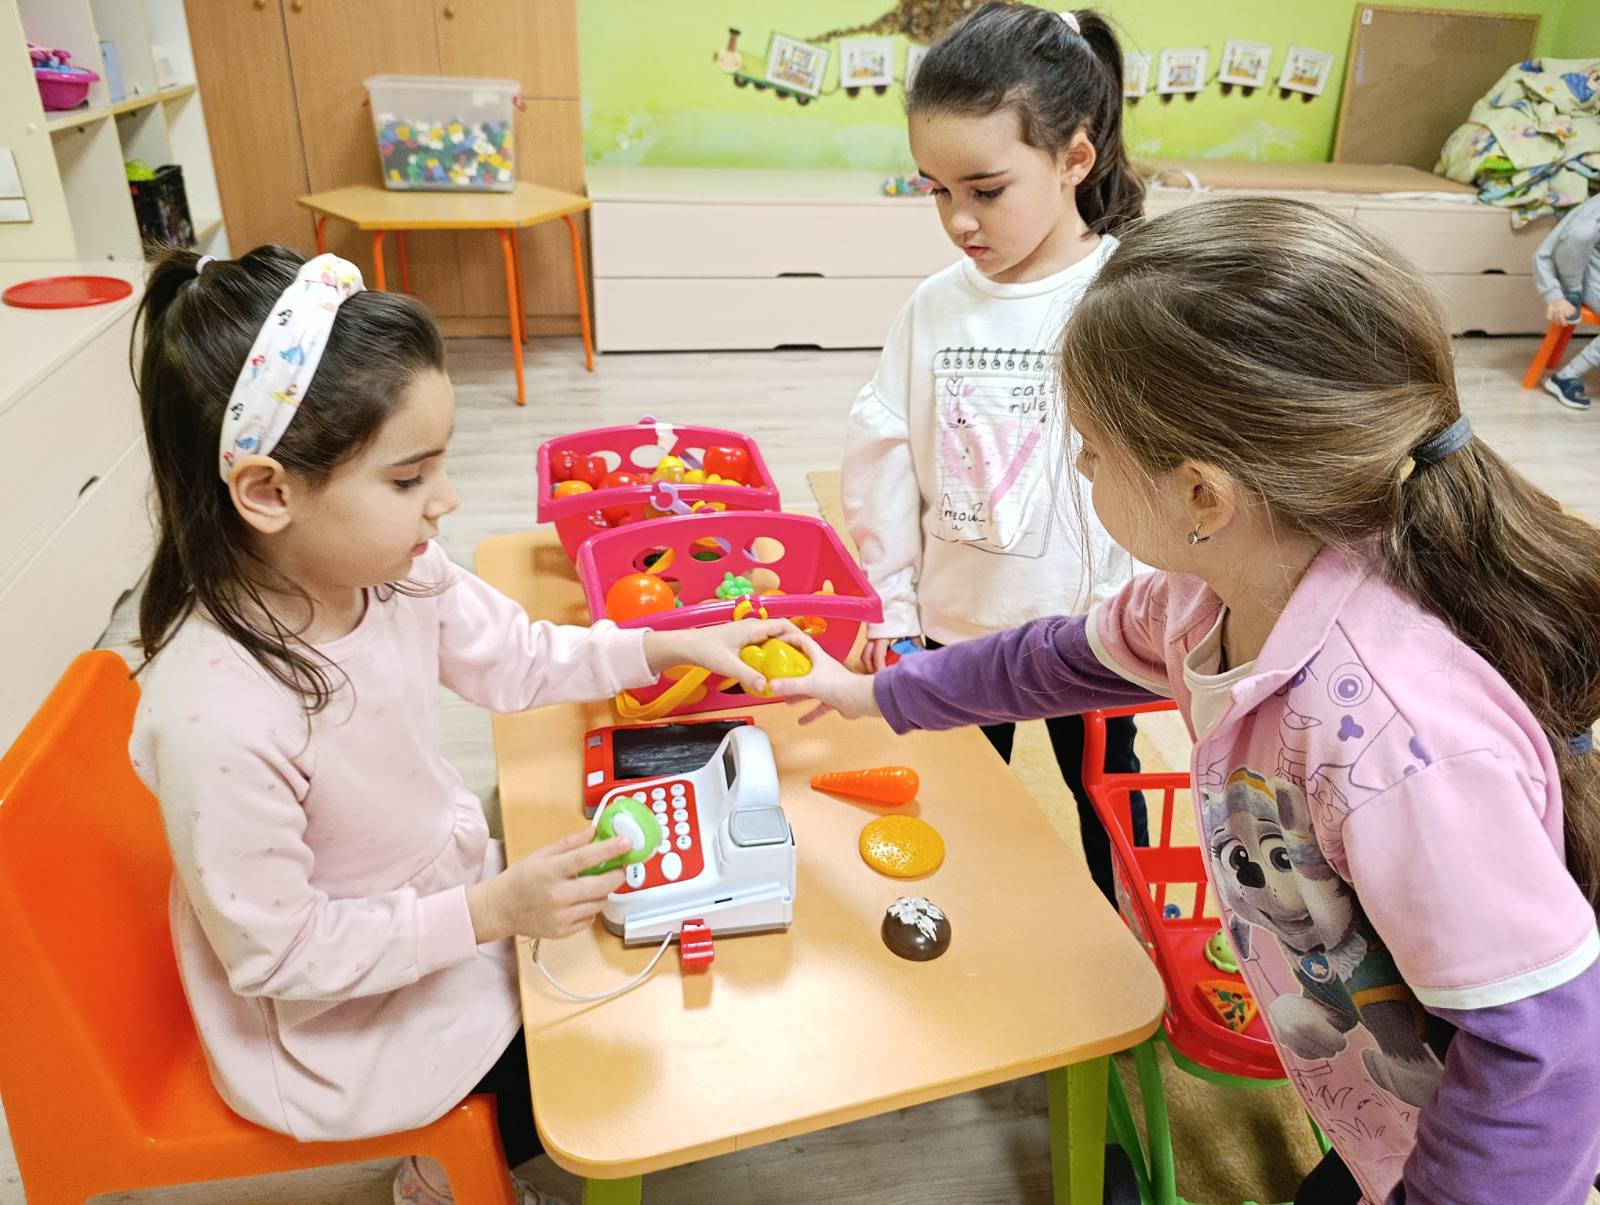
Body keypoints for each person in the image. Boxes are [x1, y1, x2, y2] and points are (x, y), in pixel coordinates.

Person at [782, 197, 1600, 1204]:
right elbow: (1050, 660)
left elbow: (1540, 1054)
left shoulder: (1398, 744)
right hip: (1379, 1113)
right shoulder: (1210, 594)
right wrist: (875, 691)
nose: (1079, 468)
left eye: (1089, 450)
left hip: (1456, 1152)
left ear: (1202, 494)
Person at [127, 246, 788, 1205]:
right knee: (601, 1071)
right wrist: (490, 912)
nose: (446, 500)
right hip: (340, 1020)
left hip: (440, 903)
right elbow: (282, 953)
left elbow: (516, 656)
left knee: (636, 970)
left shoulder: (392, 571)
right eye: (409, 478)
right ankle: (441, 1181)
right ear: (269, 491)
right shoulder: (219, 713)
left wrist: (662, 644)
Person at [842, 3, 1146, 902]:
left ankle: (1129, 945)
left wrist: (1143, 609)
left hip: (1095, 638)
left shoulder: (1128, 296)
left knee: (1112, 814)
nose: (958, 220)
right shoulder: (936, 306)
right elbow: (885, 452)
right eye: (937, 191)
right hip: (959, 626)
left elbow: (1165, 473)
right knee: (962, 805)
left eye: (985, 190)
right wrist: (891, 602)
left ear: (1074, 159)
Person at [1534, 190, 1600, 411]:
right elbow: (1541, 255)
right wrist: (1556, 295)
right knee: (1582, 232)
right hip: (1587, 277)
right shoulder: (1592, 214)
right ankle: (1565, 377)